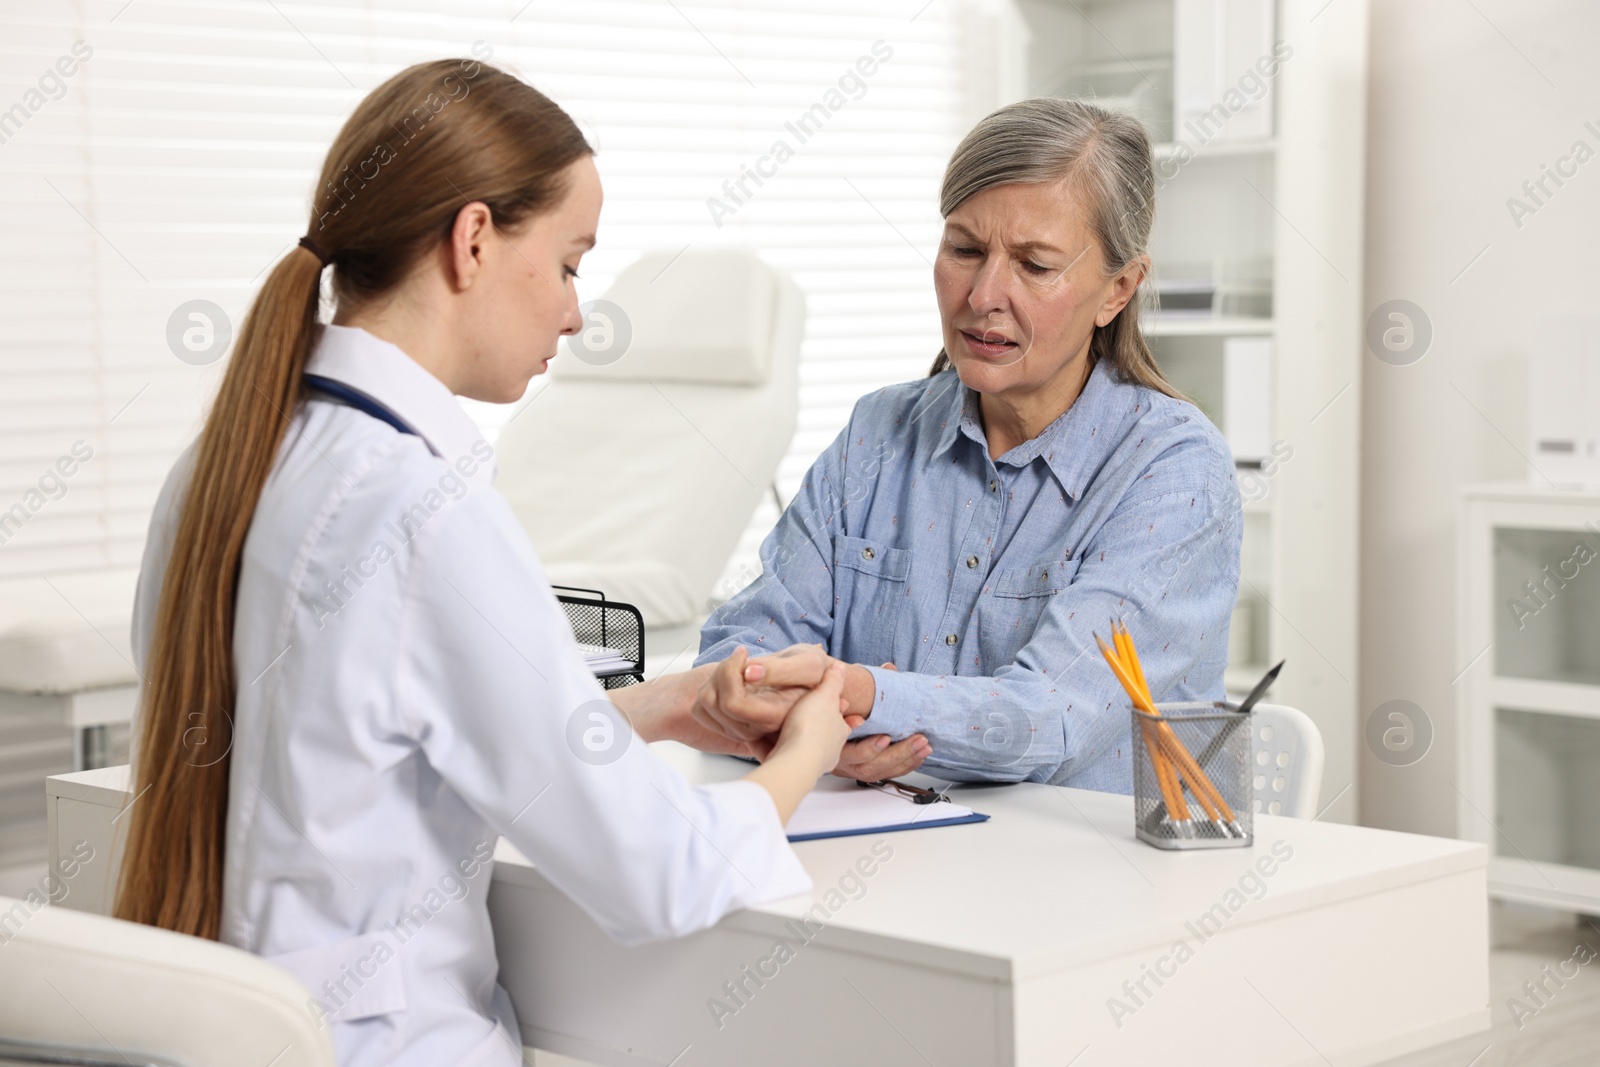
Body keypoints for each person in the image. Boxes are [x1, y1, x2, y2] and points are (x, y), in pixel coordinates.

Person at [115, 59, 848, 1067]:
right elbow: (660, 870)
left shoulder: (221, 463)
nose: (575, 312)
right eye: (569, 261)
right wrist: (807, 749)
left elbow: (347, 742)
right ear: (471, 240)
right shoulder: (424, 507)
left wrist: (650, 707)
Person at [696, 97, 1243, 790]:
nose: (984, 294)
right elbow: (740, 647)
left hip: (1083, 879)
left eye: (1035, 265)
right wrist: (803, 731)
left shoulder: (1174, 471)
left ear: (1118, 290)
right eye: (964, 249)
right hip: (882, 858)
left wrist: (856, 703)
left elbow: (1052, 714)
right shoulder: (878, 433)